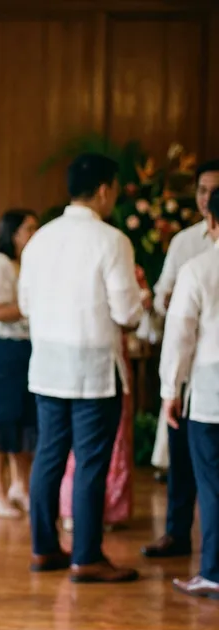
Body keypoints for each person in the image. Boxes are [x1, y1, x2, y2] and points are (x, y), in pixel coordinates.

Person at [18, 153, 143, 582]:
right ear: (106, 189)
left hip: (49, 365)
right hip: (92, 368)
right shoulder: (111, 241)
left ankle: (43, 548)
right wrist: (141, 305)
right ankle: (87, 556)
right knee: (91, 462)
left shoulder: (40, 239)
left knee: (49, 457)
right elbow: (127, 313)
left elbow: (25, 305)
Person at [143, 159, 219, 559]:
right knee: (184, 458)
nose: (207, 198)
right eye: (203, 190)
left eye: (214, 191)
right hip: (190, 368)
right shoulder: (185, 243)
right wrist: (166, 301)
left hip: (202, 363)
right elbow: (161, 295)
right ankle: (176, 532)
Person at [159, 187, 219, 599]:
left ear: (211, 222)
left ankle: (213, 571)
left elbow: (180, 336)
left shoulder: (199, 267)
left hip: (211, 389)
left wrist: (170, 389)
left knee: (212, 484)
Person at [60, 266, 153, 531]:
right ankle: (101, 510)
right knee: (106, 437)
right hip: (105, 353)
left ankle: (79, 510)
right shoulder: (119, 263)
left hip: (67, 355)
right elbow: (129, 314)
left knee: (73, 440)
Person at [0, 209, 39, 518]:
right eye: (29, 228)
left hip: (27, 347)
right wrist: (31, 308)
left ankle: (20, 487)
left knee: (24, 420)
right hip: (1, 348)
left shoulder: (26, 262)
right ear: (13, 233)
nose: (33, 234)